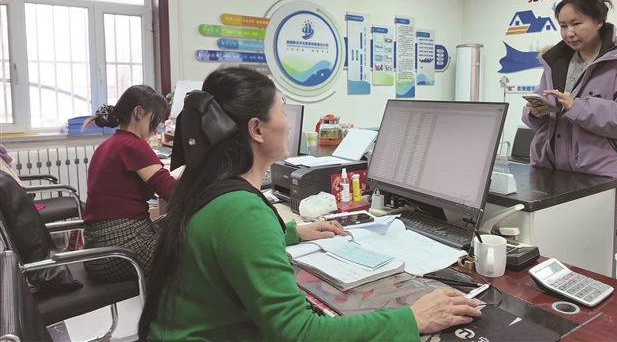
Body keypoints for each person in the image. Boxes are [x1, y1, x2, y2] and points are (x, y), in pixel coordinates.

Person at [138, 68, 481, 341]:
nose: (288, 123)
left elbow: (226, 244)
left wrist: (291, 232)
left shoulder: (208, 187)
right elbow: (299, 333)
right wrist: (411, 319)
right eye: (282, 111)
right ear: (256, 129)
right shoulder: (241, 211)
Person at [523, 0, 617, 224]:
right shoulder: (555, 62)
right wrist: (535, 112)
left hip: (600, 181)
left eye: (577, 23)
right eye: (563, 26)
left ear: (598, 21)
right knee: (550, 244)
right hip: (551, 175)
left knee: (595, 246)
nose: (569, 33)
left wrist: (578, 107)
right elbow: (537, 113)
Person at [81, 85, 178, 282]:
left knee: (174, 221)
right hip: (121, 250)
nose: (157, 126)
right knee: (194, 235)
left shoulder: (108, 144)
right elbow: (173, 194)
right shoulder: (132, 145)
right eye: (156, 118)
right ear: (139, 112)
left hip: (98, 249)